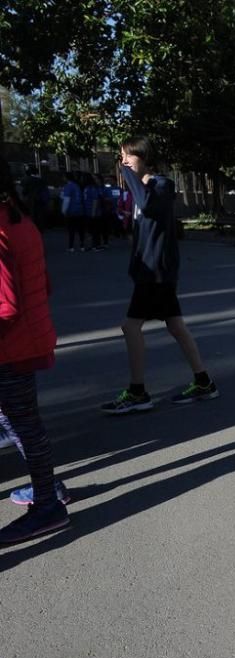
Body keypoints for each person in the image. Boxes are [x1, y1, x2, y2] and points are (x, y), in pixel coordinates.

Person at [100, 136, 218, 415]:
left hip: (156, 273)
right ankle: (204, 382)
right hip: (150, 270)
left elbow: (148, 204)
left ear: (145, 157)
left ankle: (138, 392)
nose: (124, 161)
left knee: (130, 327)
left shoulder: (161, 185)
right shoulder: (142, 188)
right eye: (122, 157)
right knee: (175, 325)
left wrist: (128, 176)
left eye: (129, 156)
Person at [0, 155, 70, 544]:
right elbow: (43, 286)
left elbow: (5, 305)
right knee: (21, 423)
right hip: (23, 341)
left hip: (10, 347)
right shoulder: (18, 217)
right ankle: (48, 491)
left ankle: (47, 504)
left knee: (22, 424)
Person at [61, 171, 85, 252]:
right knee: (80, 228)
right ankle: (82, 245)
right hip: (80, 209)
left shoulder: (68, 187)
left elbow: (66, 200)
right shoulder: (77, 186)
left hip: (71, 210)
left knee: (71, 229)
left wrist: (64, 210)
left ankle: (71, 246)